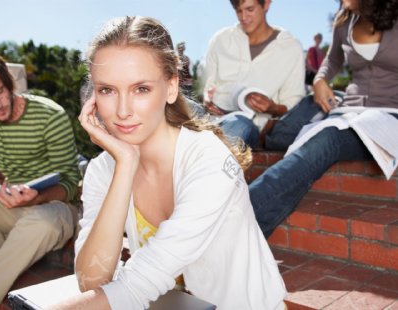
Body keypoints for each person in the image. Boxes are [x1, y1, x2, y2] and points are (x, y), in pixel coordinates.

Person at [52, 16, 286, 310]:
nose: (123, 111)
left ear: (171, 87)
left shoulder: (207, 158)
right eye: (107, 90)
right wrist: (125, 165)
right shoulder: (104, 170)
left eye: (141, 89)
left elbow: (135, 287)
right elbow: (91, 281)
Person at [249, 0, 398, 238]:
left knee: (327, 139)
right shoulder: (344, 21)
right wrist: (319, 81)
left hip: (388, 116)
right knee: (283, 136)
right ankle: (253, 232)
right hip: (350, 107)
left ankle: (238, 215)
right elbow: (332, 60)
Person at [0, 46, 80, 310]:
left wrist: (39, 196)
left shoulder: (49, 115)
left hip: (54, 210)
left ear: (9, 83)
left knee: (44, 220)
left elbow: (70, 182)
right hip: (10, 207)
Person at [202, 0, 305, 147]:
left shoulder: (290, 48)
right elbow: (208, 87)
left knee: (238, 126)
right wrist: (207, 99)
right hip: (213, 119)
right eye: (238, 11)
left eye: (249, 9)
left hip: (247, 126)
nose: (243, 17)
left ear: (267, 4)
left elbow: (293, 106)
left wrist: (272, 107)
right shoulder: (220, 40)